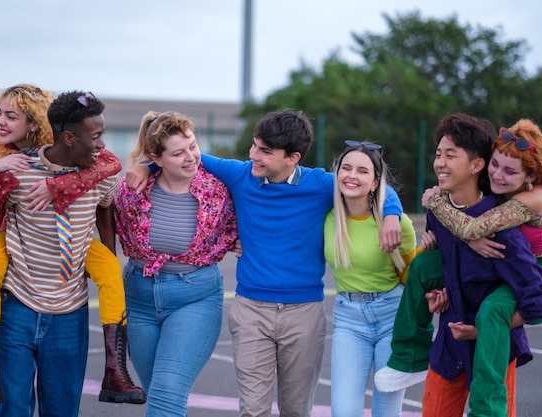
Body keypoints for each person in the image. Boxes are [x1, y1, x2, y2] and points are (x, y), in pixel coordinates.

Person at [125, 109, 405, 417]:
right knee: (253, 411)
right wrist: (146, 166)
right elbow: (185, 158)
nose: (253, 155)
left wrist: (391, 214)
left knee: (296, 411)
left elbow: (375, 185)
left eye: (265, 151)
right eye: (255, 145)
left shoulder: (321, 184)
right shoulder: (240, 174)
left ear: (292, 158)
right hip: (251, 313)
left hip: (304, 315)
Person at [0, 85, 144, 408]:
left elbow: (106, 200)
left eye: (11, 116)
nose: (102, 143)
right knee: (13, 409)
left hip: (69, 313)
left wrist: (58, 186)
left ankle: (116, 369)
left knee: (62, 410)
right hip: (17, 304)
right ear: (69, 138)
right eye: (96, 136)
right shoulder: (10, 164)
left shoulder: (99, 169)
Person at [374, 119, 542, 416]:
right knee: (424, 264)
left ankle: (487, 410)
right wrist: (440, 291)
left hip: (527, 291)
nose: (499, 174)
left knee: (492, 311)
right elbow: (456, 246)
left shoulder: (516, 214)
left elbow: (477, 228)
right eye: (439, 154)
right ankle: (407, 357)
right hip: (453, 334)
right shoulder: (465, 202)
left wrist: (435, 202)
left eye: (451, 155)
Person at [113, 111, 238, 416]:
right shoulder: (132, 191)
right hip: (139, 299)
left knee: (167, 392)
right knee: (160, 392)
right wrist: (141, 168)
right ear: (156, 157)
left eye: (193, 146)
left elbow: (252, 212)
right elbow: (104, 214)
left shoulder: (218, 191)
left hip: (194, 298)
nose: (191, 157)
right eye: (178, 153)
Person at [324, 141, 417, 417]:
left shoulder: (398, 224)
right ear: (337, 172)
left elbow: (413, 276)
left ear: (376, 183)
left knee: (387, 411)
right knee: (343, 412)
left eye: (362, 171)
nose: (352, 176)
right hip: (349, 320)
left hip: (392, 316)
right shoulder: (327, 217)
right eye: (346, 168)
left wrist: (391, 215)